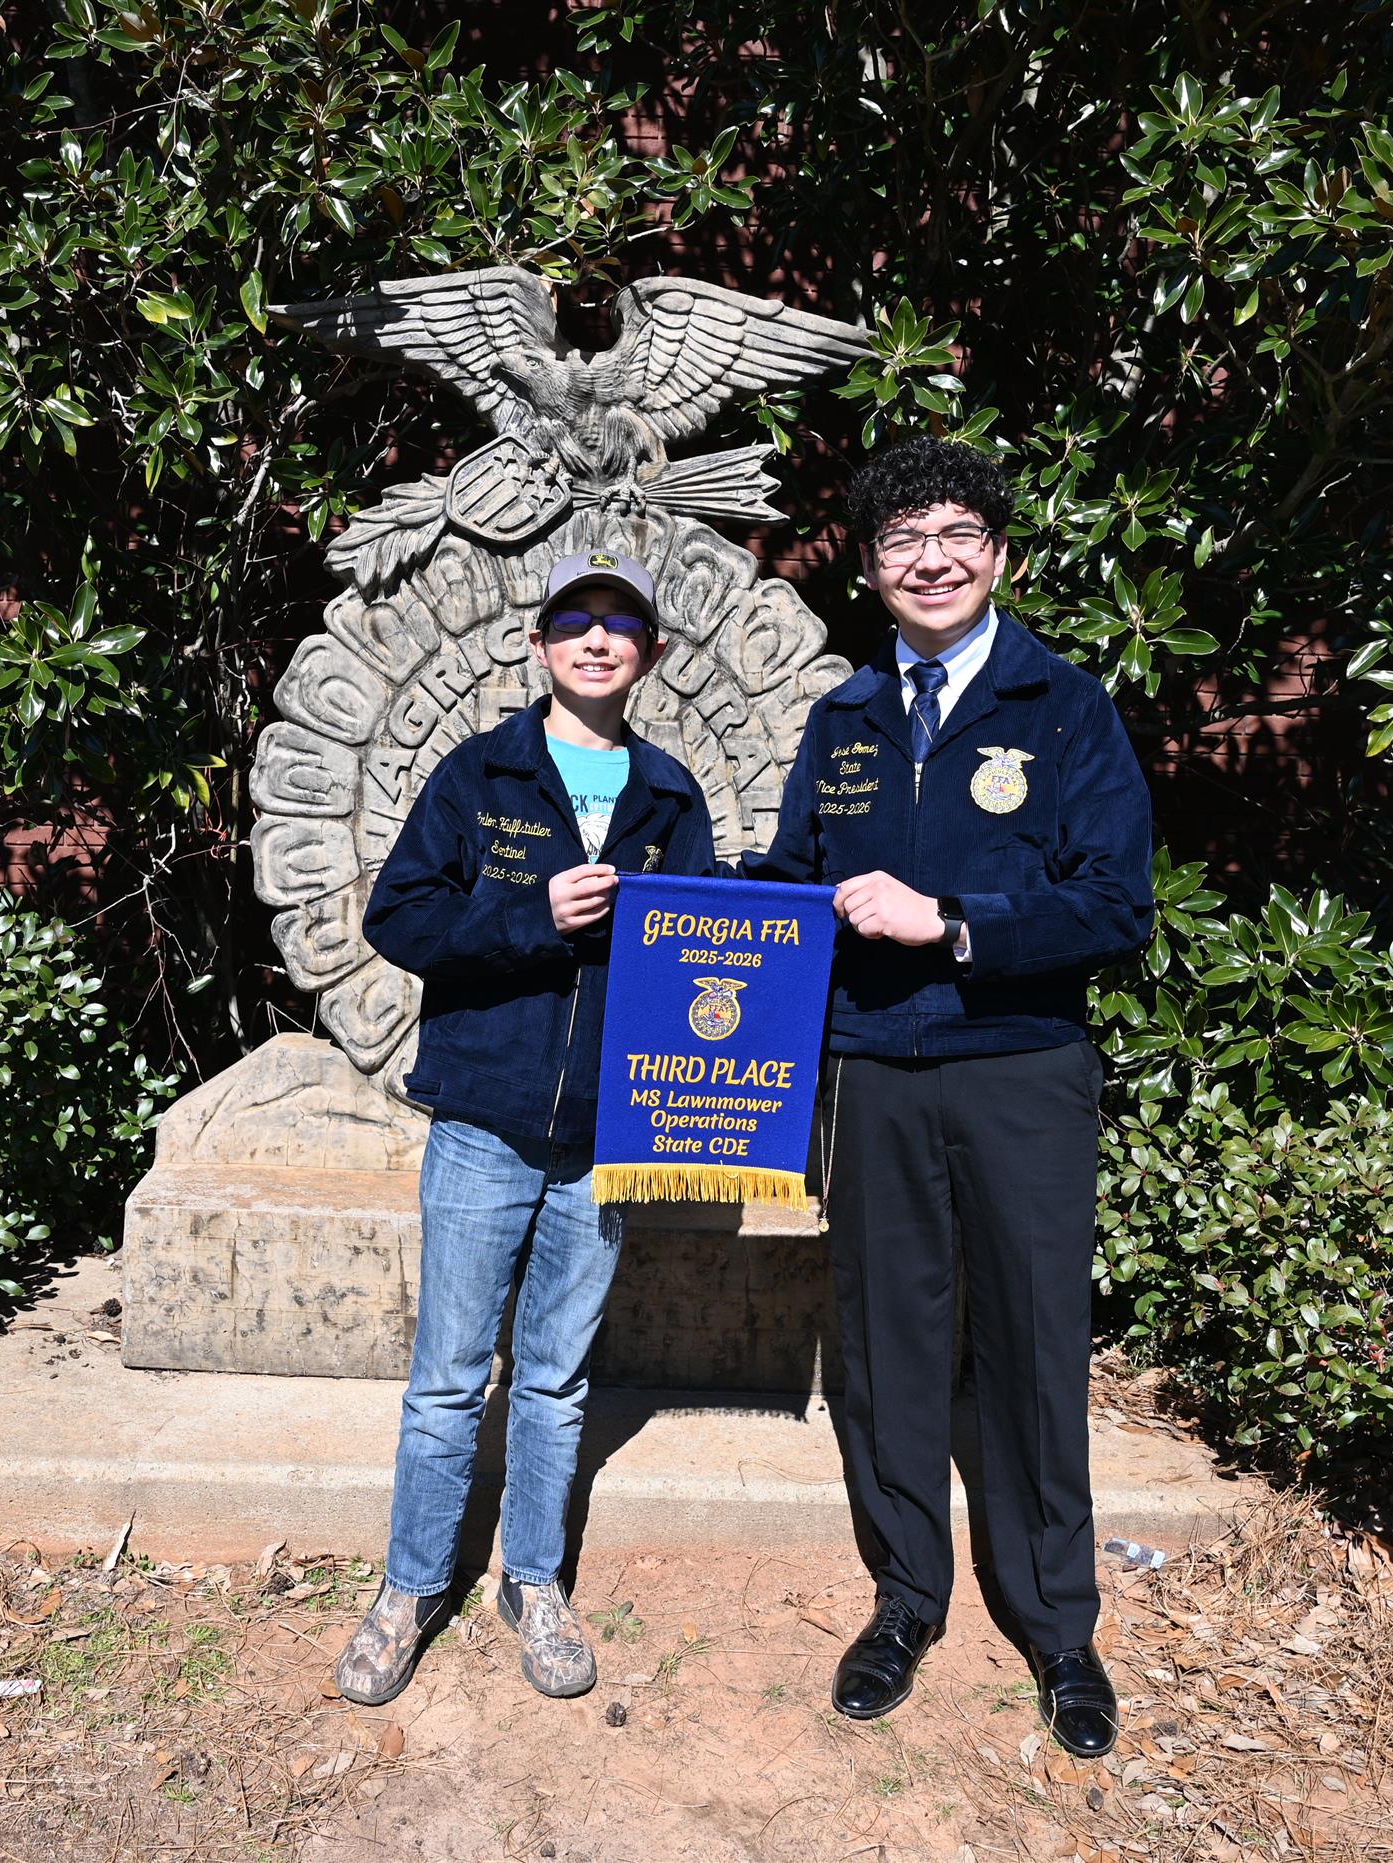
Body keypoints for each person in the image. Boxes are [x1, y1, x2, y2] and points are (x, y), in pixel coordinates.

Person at [749, 438, 1155, 1756]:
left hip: (1017, 1068)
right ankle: (906, 1598)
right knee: (886, 1343)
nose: (931, 560)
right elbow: (795, 880)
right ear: (871, 571)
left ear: (1000, 556)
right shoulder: (845, 719)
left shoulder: (1065, 706)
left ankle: (1058, 1625)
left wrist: (955, 919)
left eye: (956, 534)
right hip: (875, 1066)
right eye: (903, 540)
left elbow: (1115, 905)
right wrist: (677, 901)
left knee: (1033, 1342)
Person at [335, 549, 720, 1707]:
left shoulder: (670, 796)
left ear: (650, 651)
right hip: (484, 1124)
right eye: (574, 621)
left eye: (620, 623)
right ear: (541, 644)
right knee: (449, 1380)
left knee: (553, 1381)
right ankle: (409, 1588)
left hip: (603, 1136)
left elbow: (705, 956)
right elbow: (399, 917)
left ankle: (534, 1581)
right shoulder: (481, 773)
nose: (597, 639)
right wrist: (529, 915)